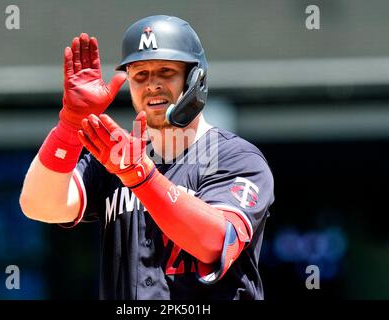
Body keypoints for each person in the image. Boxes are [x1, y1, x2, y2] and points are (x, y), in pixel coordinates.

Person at [19, 15, 275, 300]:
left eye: (166, 71)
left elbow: (215, 243)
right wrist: (69, 123)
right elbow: (39, 205)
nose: (152, 84)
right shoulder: (114, 156)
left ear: (195, 78)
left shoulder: (236, 157)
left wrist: (140, 176)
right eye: (140, 74)